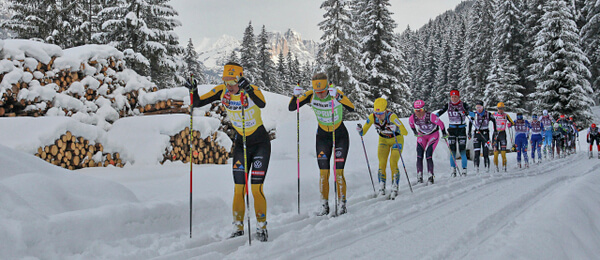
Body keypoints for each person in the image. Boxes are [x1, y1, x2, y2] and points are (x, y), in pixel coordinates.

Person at [185, 62, 271, 242]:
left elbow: (262, 103)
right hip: (241, 144)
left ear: (240, 80)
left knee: (256, 188)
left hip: (260, 144)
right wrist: (193, 91)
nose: (229, 87)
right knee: (238, 188)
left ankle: (261, 226)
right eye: (226, 82)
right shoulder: (222, 90)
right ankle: (238, 227)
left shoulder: (251, 89)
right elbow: (199, 102)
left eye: (232, 82)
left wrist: (249, 90)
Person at [289, 73, 355, 216]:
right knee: (323, 174)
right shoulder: (311, 95)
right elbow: (292, 108)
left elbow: (351, 108)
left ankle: (342, 203)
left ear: (327, 87)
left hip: (340, 136)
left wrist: (338, 97)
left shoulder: (335, 94)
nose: (319, 94)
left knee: (338, 172)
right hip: (323, 137)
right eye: (317, 91)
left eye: (322, 91)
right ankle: (324, 205)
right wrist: (295, 96)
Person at [357, 98, 408, 199]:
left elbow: (405, 132)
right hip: (383, 140)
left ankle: (395, 187)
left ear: (385, 111)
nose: (378, 116)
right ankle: (382, 187)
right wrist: (359, 130)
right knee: (382, 163)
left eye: (380, 113)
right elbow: (363, 132)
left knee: (393, 162)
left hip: (396, 140)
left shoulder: (392, 117)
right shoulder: (372, 117)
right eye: (376, 113)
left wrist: (397, 128)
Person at [409, 100, 447, 184]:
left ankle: (430, 176)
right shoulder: (413, 117)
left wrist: (444, 133)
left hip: (433, 135)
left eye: (420, 110)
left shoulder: (431, 116)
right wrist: (414, 131)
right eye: (416, 110)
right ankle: (419, 176)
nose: (418, 113)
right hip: (422, 135)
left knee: (428, 154)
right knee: (419, 155)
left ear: (424, 109)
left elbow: (441, 124)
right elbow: (411, 123)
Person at [435, 89, 470, 176]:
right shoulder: (448, 105)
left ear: (459, 97)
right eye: (452, 97)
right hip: (452, 129)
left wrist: (467, 112)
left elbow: (472, 113)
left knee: (462, 150)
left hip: (462, 129)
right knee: (452, 150)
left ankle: (464, 170)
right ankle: (453, 170)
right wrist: (432, 117)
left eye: (455, 97)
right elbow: (439, 113)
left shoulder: (463, 104)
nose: (454, 98)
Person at [468, 101, 496, 173]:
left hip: (485, 134)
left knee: (485, 152)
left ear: (483, 107)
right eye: (477, 107)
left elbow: (494, 121)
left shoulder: (488, 114)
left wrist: (495, 130)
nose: (478, 109)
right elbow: (470, 123)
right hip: (477, 134)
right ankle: (476, 167)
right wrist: (469, 132)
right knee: (476, 152)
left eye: (480, 107)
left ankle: (487, 167)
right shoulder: (475, 114)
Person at [492, 102, 514, 172]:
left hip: (502, 134)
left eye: (502, 108)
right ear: (497, 108)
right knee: (495, 152)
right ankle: (496, 166)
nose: (500, 110)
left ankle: (504, 166)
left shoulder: (506, 115)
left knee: (503, 152)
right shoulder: (494, 115)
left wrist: (510, 124)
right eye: (499, 108)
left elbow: (512, 123)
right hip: (495, 134)